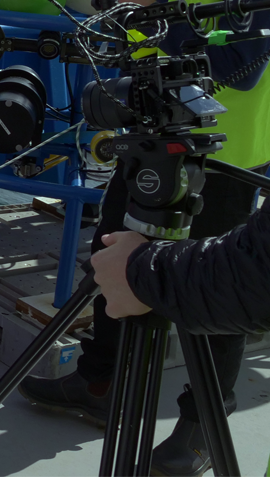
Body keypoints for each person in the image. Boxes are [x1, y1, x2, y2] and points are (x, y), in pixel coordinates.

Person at [18, 0, 270, 476]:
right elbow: (153, 30)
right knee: (112, 251)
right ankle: (99, 382)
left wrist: (160, 20)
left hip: (224, 162)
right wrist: (124, 14)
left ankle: (192, 436)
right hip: (155, 138)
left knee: (211, 301)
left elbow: (243, 66)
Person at [93, 199, 270, 476]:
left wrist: (145, 270)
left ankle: (201, 429)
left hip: (225, 173)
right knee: (111, 251)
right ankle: (97, 380)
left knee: (218, 315)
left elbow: (255, 277)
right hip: (155, 170)